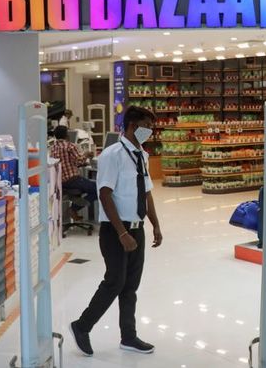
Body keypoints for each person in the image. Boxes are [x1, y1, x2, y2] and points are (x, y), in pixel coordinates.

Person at [70, 106, 163, 356]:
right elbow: (104, 194)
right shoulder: (112, 155)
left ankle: (129, 336)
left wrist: (155, 224)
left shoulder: (141, 155)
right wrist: (122, 233)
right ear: (133, 126)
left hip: (137, 228)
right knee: (115, 281)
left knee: (130, 285)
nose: (151, 132)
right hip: (115, 230)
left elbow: (146, 192)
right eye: (147, 126)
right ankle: (82, 325)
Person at [50, 125, 96, 221]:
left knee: (87, 184)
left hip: (61, 182)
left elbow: (62, 163)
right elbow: (79, 161)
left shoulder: (53, 148)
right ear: (67, 135)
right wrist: (86, 155)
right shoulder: (70, 146)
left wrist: (80, 164)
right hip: (73, 181)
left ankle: (75, 199)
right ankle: (74, 208)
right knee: (98, 189)